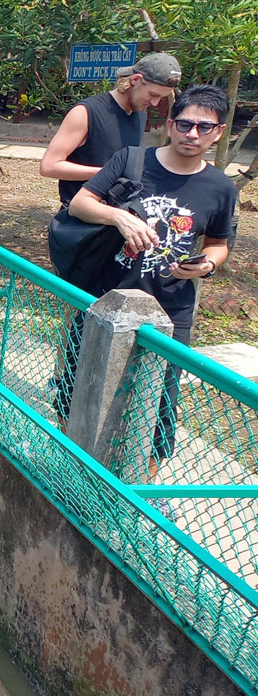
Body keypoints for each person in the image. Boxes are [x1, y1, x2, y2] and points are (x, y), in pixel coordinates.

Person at [64, 84, 237, 516]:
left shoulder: (219, 186)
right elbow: (81, 204)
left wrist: (207, 266)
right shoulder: (131, 160)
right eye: (184, 123)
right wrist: (118, 216)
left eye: (203, 127)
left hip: (170, 310)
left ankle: (137, 497)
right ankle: (68, 471)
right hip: (104, 298)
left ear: (217, 133)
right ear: (170, 123)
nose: (192, 133)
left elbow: (218, 243)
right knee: (76, 386)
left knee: (159, 405)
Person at [39, 53, 181, 210]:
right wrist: (107, 174)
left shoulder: (140, 112)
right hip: (82, 217)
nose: (154, 103)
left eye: (160, 98)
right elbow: (49, 166)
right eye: (153, 95)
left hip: (119, 214)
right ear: (135, 80)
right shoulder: (86, 112)